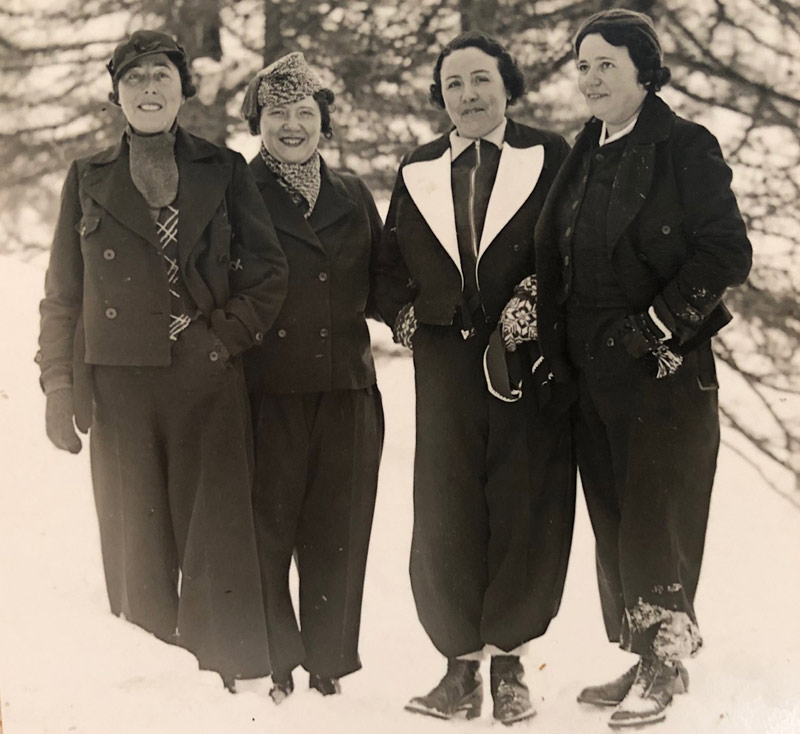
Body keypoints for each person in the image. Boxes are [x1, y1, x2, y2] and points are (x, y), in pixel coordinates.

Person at [36, 29, 288, 689]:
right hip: (118, 387)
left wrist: (220, 339)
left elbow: (267, 274)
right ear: (117, 95)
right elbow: (62, 296)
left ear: (183, 90)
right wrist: (57, 389)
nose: (149, 90)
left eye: (162, 78)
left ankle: (225, 683)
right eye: (136, 79)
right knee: (135, 545)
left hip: (205, 377)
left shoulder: (224, 168)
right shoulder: (86, 177)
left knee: (216, 539)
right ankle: (151, 689)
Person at [533, 9, 752, 728]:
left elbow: (725, 252)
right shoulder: (584, 150)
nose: (591, 78)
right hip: (590, 369)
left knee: (658, 514)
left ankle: (667, 657)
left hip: (662, 367)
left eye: (606, 64)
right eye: (583, 66)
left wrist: (658, 324)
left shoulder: (684, 146)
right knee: (617, 516)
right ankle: (645, 648)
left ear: (644, 71)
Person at [374, 31, 576, 725]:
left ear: (508, 86)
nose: (468, 93)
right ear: (441, 95)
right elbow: (387, 265)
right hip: (445, 363)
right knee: (446, 502)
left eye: (481, 79)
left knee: (526, 497)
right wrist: (406, 319)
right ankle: (457, 670)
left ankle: (513, 665)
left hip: (526, 355)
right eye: (454, 82)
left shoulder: (550, 155)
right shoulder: (417, 166)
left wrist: (528, 311)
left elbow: (574, 250)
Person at [240, 52, 385, 703]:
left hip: (347, 390)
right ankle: (276, 658)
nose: (293, 125)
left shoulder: (352, 193)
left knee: (340, 529)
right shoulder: (234, 191)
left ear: (325, 121)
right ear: (258, 121)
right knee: (266, 528)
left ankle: (328, 658)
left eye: (306, 112)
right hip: (267, 392)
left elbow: (387, 280)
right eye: (279, 113)